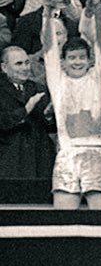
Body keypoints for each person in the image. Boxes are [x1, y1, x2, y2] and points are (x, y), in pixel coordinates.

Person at [43, 0, 101, 209]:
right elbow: (49, 48)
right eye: (72, 58)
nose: (77, 62)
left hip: (97, 153)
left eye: (81, 57)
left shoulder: (97, 78)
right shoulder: (58, 79)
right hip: (67, 154)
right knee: (63, 225)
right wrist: (47, 8)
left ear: (89, 60)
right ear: (63, 62)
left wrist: (97, 2)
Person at [0, 46, 54, 180]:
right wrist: (25, 110)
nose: (25, 68)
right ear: (4, 67)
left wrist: (49, 116)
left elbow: (50, 126)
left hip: (40, 156)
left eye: (27, 62)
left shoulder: (38, 88)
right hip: (9, 157)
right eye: (19, 64)